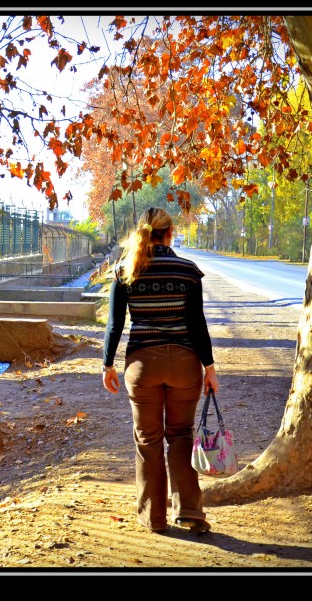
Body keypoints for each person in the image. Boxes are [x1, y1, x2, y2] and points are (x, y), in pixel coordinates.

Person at [102, 207, 219, 534]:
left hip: (142, 367)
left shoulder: (125, 270)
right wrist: (209, 368)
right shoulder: (187, 271)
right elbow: (198, 325)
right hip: (185, 365)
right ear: (170, 234)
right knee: (181, 437)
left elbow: (115, 325)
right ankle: (190, 514)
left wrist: (107, 364)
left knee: (148, 440)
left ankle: (153, 518)